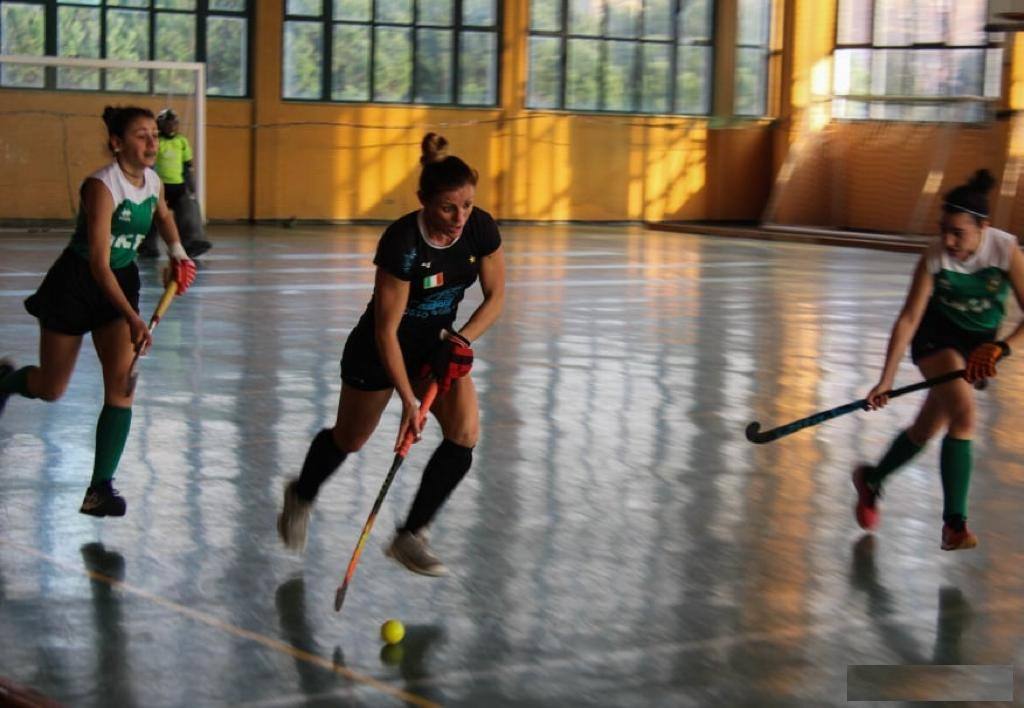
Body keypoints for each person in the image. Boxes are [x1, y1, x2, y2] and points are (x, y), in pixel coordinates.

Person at [277, 133, 506, 576]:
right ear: (423, 201)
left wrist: (460, 341)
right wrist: (407, 399)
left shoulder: (480, 228)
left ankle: (411, 534)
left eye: (467, 206)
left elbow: (496, 296)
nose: (459, 218)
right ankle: (301, 493)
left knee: (464, 435)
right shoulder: (403, 243)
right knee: (351, 439)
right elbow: (385, 331)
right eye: (447, 208)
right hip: (378, 353)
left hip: (435, 347)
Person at [0, 106, 197, 517]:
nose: (151, 143)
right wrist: (133, 317)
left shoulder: (154, 182)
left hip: (120, 282)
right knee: (51, 388)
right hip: (76, 285)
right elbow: (98, 264)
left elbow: (164, 216)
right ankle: (5, 382)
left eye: (153, 136)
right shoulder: (101, 187)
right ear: (117, 143)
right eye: (141, 136)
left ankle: (99, 489)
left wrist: (178, 254)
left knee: (123, 385)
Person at [853, 169, 1024, 550]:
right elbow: (909, 318)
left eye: (958, 233)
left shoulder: (1004, 251)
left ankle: (872, 480)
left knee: (926, 429)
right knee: (964, 414)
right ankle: (954, 524)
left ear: (984, 227)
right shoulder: (935, 257)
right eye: (943, 229)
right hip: (937, 339)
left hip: (978, 347)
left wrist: (1001, 348)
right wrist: (886, 379)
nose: (947, 240)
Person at [137, 108, 212, 259]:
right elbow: (149, 164)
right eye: (167, 123)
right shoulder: (157, 141)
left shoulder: (181, 141)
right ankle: (147, 246)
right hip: (159, 187)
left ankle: (192, 242)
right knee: (151, 215)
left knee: (190, 210)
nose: (171, 126)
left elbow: (186, 166)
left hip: (178, 186)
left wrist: (191, 187)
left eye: (173, 123)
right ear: (160, 124)